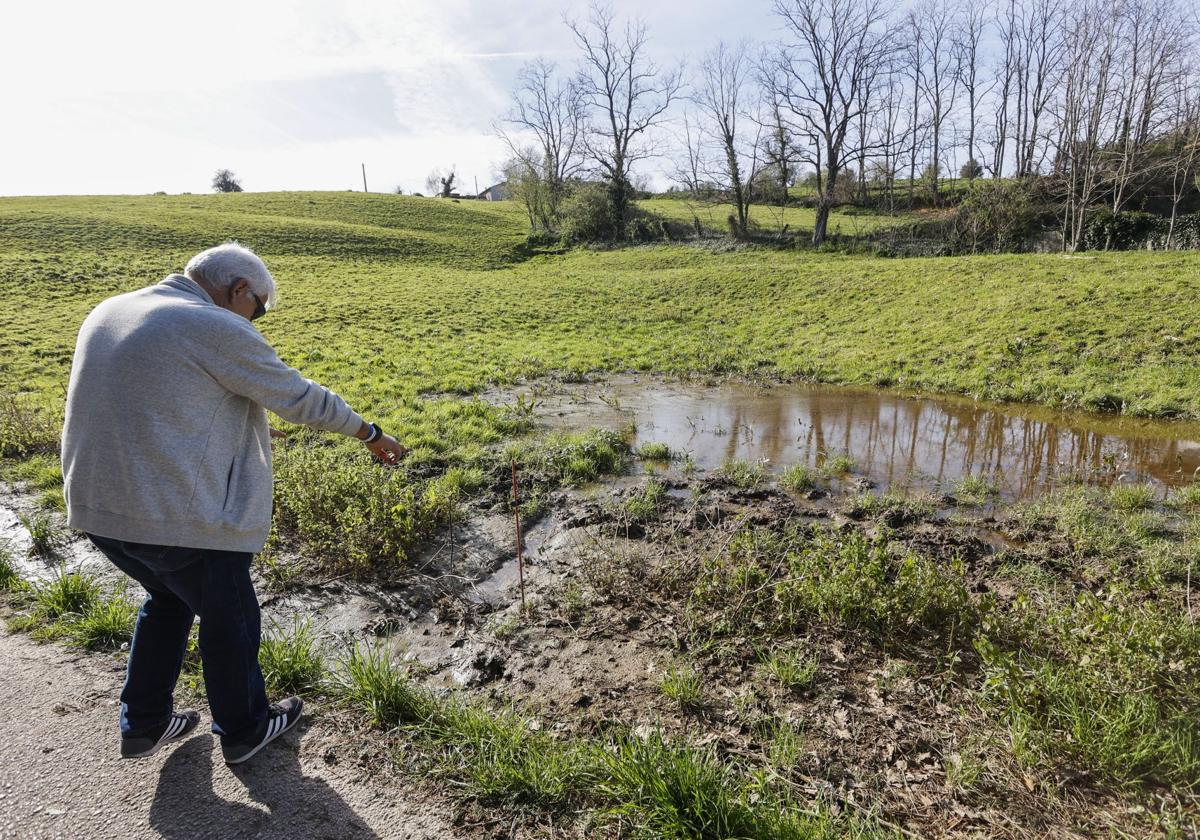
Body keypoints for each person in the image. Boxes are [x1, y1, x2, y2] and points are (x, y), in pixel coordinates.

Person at [60, 242, 406, 764]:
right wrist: (370, 433)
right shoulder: (211, 325)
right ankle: (246, 729)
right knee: (231, 616)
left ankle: (145, 722)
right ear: (238, 290)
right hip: (172, 513)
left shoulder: (111, 308)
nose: (257, 320)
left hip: (98, 510)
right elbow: (298, 397)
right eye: (259, 309)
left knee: (169, 599)